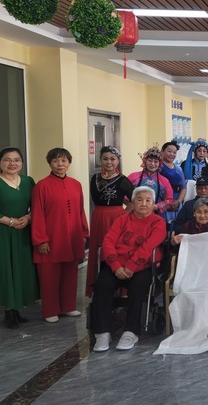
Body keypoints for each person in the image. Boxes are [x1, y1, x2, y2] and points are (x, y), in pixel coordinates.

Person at [92, 186, 167, 352]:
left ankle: (131, 331)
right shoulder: (122, 220)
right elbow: (108, 242)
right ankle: (102, 332)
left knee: (138, 286)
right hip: (117, 265)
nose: (144, 204)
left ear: (153, 203)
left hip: (142, 267)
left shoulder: (158, 222)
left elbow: (148, 247)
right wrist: (116, 266)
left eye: (148, 200)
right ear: (133, 202)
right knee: (103, 285)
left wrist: (131, 266)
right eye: (139, 200)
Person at [0, 147, 37, 329]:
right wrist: (10, 221)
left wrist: (28, 218)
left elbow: (37, 206)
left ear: (22, 163)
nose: (12, 163)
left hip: (22, 231)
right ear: (0, 163)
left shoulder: (28, 181)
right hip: (1, 232)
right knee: (5, 269)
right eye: (7, 159)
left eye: (16, 160)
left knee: (20, 268)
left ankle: (17, 308)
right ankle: (8, 311)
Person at [31, 148, 89, 323]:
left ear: (69, 163)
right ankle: (50, 310)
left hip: (72, 237)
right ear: (49, 163)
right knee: (49, 275)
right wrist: (41, 239)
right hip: (51, 237)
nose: (60, 164)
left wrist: (84, 233)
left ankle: (68, 306)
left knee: (70, 273)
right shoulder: (41, 186)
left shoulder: (76, 184)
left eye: (64, 161)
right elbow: (37, 214)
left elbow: (80, 211)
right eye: (55, 161)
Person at [87, 146, 134, 297]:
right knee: (98, 250)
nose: (109, 162)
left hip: (116, 218)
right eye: (105, 159)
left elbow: (134, 201)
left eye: (112, 159)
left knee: (116, 250)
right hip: (98, 217)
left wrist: (124, 214)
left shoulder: (123, 180)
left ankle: (120, 290)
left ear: (118, 161)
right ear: (100, 160)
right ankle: (99, 289)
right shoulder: (94, 178)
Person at [127, 146, 174, 216]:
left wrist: (155, 206)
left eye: (156, 161)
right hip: (134, 214)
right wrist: (134, 205)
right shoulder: (133, 177)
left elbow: (169, 200)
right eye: (150, 160)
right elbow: (124, 196)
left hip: (155, 215)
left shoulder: (165, 181)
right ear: (145, 161)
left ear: (159, 163)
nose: (152, 164)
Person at [159, 140, 187, 228]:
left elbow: (183, 187)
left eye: (174, 152)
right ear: (162, 152)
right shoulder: (158, 167)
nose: (172, 154)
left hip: (177, 203)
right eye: (169, 151)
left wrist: (178, 201)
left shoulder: (179, 169)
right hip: (162, 202)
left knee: (177, 227)